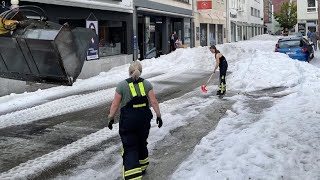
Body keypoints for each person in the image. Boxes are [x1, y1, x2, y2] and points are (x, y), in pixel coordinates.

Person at [107, 61, 163, 180]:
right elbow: (154, 102)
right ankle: (143, 166)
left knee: (130, 145)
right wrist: (159, 116)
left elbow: (115, 104)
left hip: (128, 121)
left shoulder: (121, 85)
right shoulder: (147, 84)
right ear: (140, 71)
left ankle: (132, 176)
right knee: (142, 142)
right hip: (144, 119)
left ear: (129, 71)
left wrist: (111, 118)